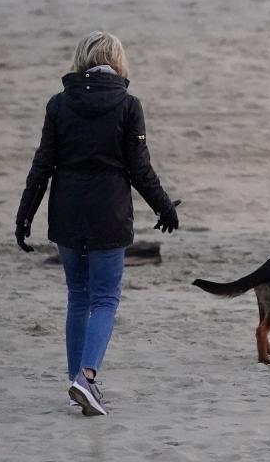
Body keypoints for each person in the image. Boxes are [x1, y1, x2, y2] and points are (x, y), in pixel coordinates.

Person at [15, 30, 179, 416]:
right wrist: (164, 207)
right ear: (118, 61)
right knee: (105, 297)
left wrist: (24, 215)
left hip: (67, 211)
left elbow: (42, 166)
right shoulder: (127, 104)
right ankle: (85, 378)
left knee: (78, 296)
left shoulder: (59, 104)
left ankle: (78, 380)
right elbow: (139, 167)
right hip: (109, 213)